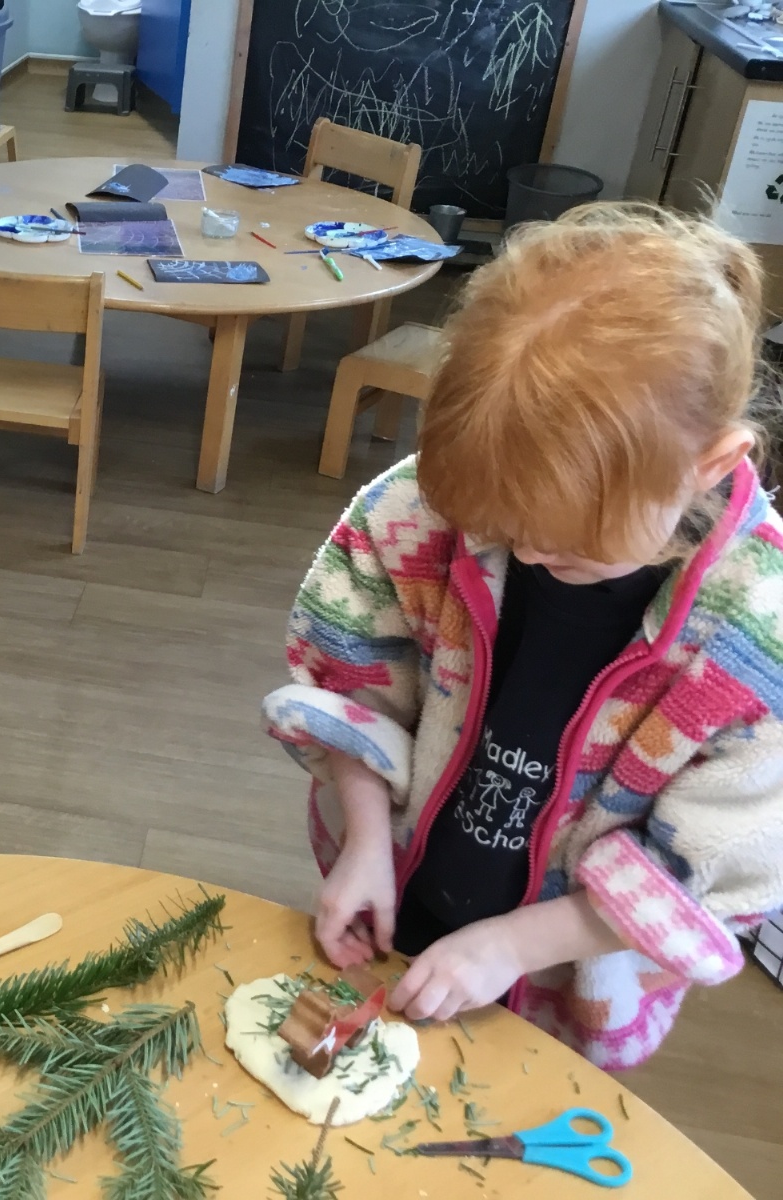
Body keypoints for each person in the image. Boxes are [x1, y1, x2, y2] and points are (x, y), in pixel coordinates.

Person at [262, 203, 783, 1069]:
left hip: (568, 969)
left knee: (507, 1095)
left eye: (571, 541)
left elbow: (722, 865)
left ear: (713, 465)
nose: (530, 554)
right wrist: (365, 838)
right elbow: (349, 681)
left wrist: (514, 944)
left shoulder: (760, 637)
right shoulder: (421, 511)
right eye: (503, 528)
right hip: (405, 887)